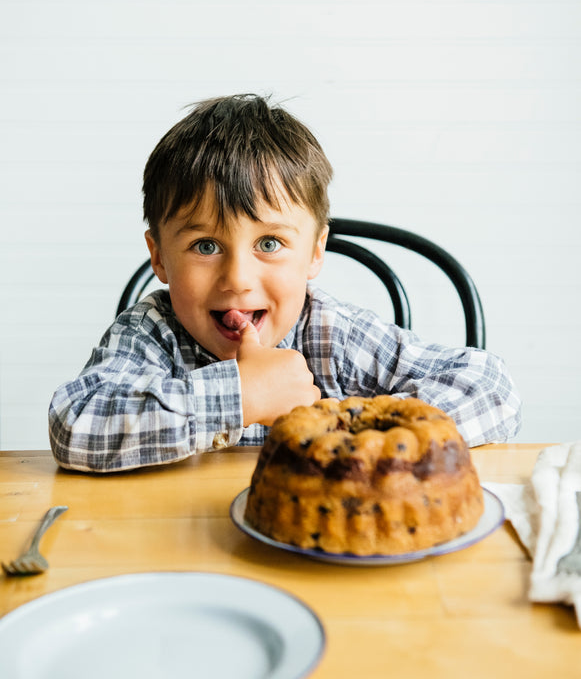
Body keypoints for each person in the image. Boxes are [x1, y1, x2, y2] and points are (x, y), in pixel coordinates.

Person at [48, 94, 521, 472]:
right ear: (160, 259)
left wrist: (342, 427)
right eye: (206, 246)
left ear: (315, 252)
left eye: (269, 243)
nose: (237, 279)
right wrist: (241, 396)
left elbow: (491, 386)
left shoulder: (332, 334)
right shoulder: (152, 331)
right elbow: (74, 425)